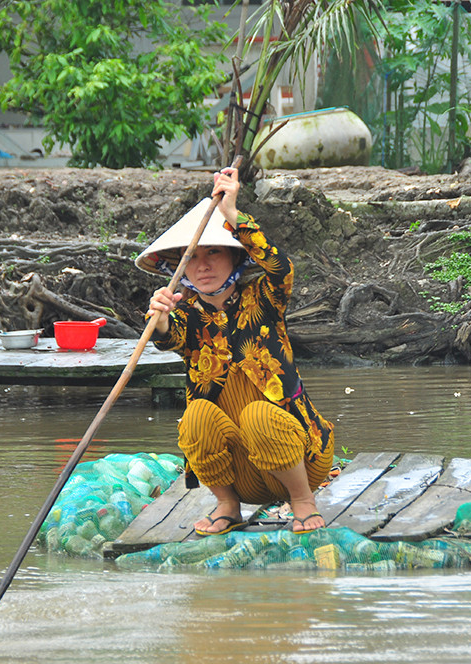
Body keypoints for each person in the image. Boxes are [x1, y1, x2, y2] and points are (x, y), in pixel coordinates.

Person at [136, 167, 334, 536]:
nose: (203, 265)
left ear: (234, 257)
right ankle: (227, 505)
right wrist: (158, 319)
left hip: (300, 458)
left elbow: (281, 268)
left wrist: (232, 213)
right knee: (195, 416)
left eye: (214, 252)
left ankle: (303, 501)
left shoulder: (264, 297)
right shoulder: (185, 314)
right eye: (193, 257)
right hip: (240, 471)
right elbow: (169, 337)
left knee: (259, 415)